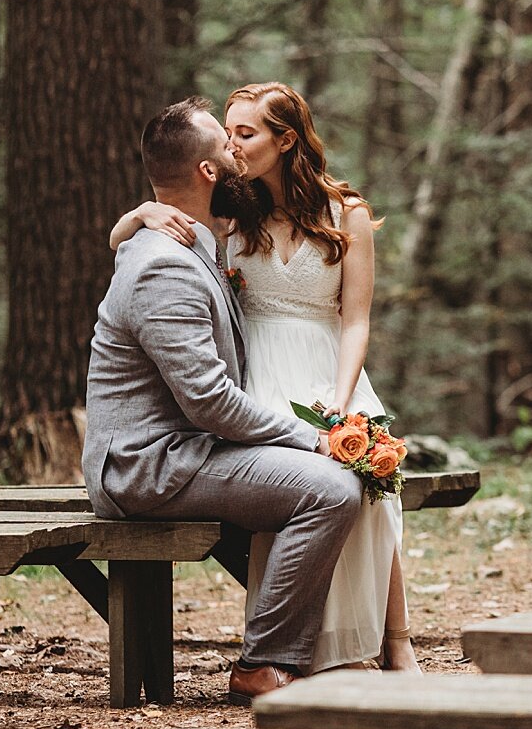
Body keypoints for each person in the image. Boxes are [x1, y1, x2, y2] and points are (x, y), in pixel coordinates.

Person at [109, 83, 418, 674]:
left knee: (376, 490)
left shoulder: (345, 212)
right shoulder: (231, 209)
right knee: (299, 489)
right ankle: (311, 651)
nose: (233, 144)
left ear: (286, 139)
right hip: (257, 375)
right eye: (228, 133)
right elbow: (131, 245)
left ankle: (394, 639)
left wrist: (342, 397)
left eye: (245, 133)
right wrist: (139, 213)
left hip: (330, 367)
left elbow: (356, 320)